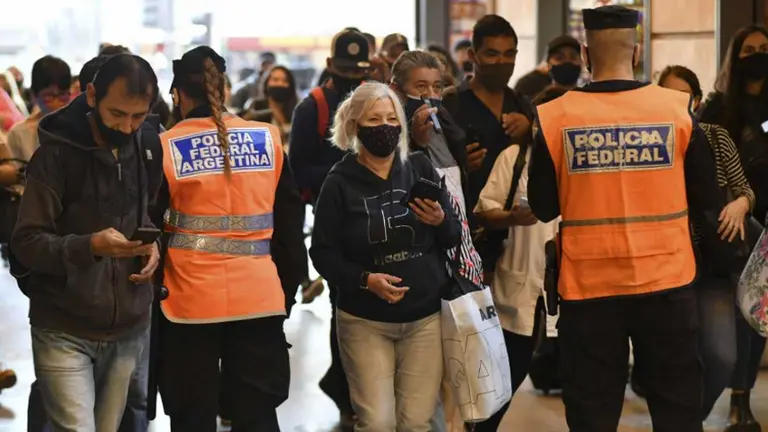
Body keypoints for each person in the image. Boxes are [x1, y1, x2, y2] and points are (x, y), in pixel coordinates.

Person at [529, 6, 722, 431]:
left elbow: (542, 206)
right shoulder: (677, 111)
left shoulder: (556, 117)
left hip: (588, 289)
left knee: (592, 412)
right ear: (636, 53)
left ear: (584, 53)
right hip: (667, 282)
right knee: (677, 410)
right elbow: (709, 196)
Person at [155, 45, 305, 431]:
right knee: (257, 414)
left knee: (192, 414)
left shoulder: (166, 146)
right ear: (222, 88)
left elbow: (152, 228)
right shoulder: (267, 139)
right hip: (258, 297)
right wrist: (284, 293)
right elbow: (289, 225)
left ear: (177, 95)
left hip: (188, 302)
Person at [11, 53, 161, 431]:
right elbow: (26, 242)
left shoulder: (147, 145)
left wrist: (151, 246)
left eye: (138, 116)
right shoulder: (55, 155)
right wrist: (88, 245)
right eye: (117, 114)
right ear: (91, 95)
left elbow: (146, 214)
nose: (127, 127)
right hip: (62, 325)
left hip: (129, 323)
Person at [310, 82, 461, 431]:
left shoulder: (420, 168)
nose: (385, 127)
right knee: (377, 422)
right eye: (374, 119)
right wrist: (365, 280)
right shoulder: (339, 182)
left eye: (392, 118)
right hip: (365, 320)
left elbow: (452, 236)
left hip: (424, 316)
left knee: (417, 422)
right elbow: (322, 253)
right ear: (354, 126)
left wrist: (440, 220)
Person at [656, 65, 755, 424]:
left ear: (697, 100)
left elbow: (745, 189)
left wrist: (741, 203)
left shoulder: (715, 136)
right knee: (673, 359)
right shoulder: (653, 142)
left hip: (711, 262)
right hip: (665, 265)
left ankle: (687, 420)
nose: (677, 105)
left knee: (721, 355)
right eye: (667, 97)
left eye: (684, 97)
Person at [471, 85, 566, 432]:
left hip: (572, 287)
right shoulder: (515, 158)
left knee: (582, 382)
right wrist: (512, 216)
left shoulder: (579, 162)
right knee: (506, 376)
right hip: (520, 283)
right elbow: (484, 210)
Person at [289, 31, 370, 428]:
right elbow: (297, 170)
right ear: (329, 67)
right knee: (345, 308)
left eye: (359, 71)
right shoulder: (312, 109)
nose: (352, 78)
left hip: (374, 220)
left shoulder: (378, 105)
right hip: (333, 223)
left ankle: (355, 390)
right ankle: (345, 393)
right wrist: (345, 173)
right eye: (344, 71)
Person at [699, 24, 768, 432]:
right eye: (750, 50)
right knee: (730, 324)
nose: (758, 56)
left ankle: (742, 398)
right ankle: (730, 397)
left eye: (765, 49)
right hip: (732, 227)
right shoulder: (718, 107)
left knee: (759, 313)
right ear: (735, 57)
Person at [442, 14, 534, 275]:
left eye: (509, 54)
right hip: (465, 237)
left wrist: (530, 130)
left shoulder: (522, 105)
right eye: (492, 54)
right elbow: (428, 167)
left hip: (515, 238)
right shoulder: (452, 104)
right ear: (473, 55)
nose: (501, 62)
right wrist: (459, 167)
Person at [240, 66, 299, 147]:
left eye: (285, 81)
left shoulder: (297, 109)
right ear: (267, 83)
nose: (280, 84)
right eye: (275, 80)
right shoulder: (255, 106)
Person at [515, 35, 583, 100]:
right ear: (548, 64)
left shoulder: (588, 101)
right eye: (559, 58)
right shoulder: (539, 102)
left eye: (573, 57)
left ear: (582, 63)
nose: (567, 62)